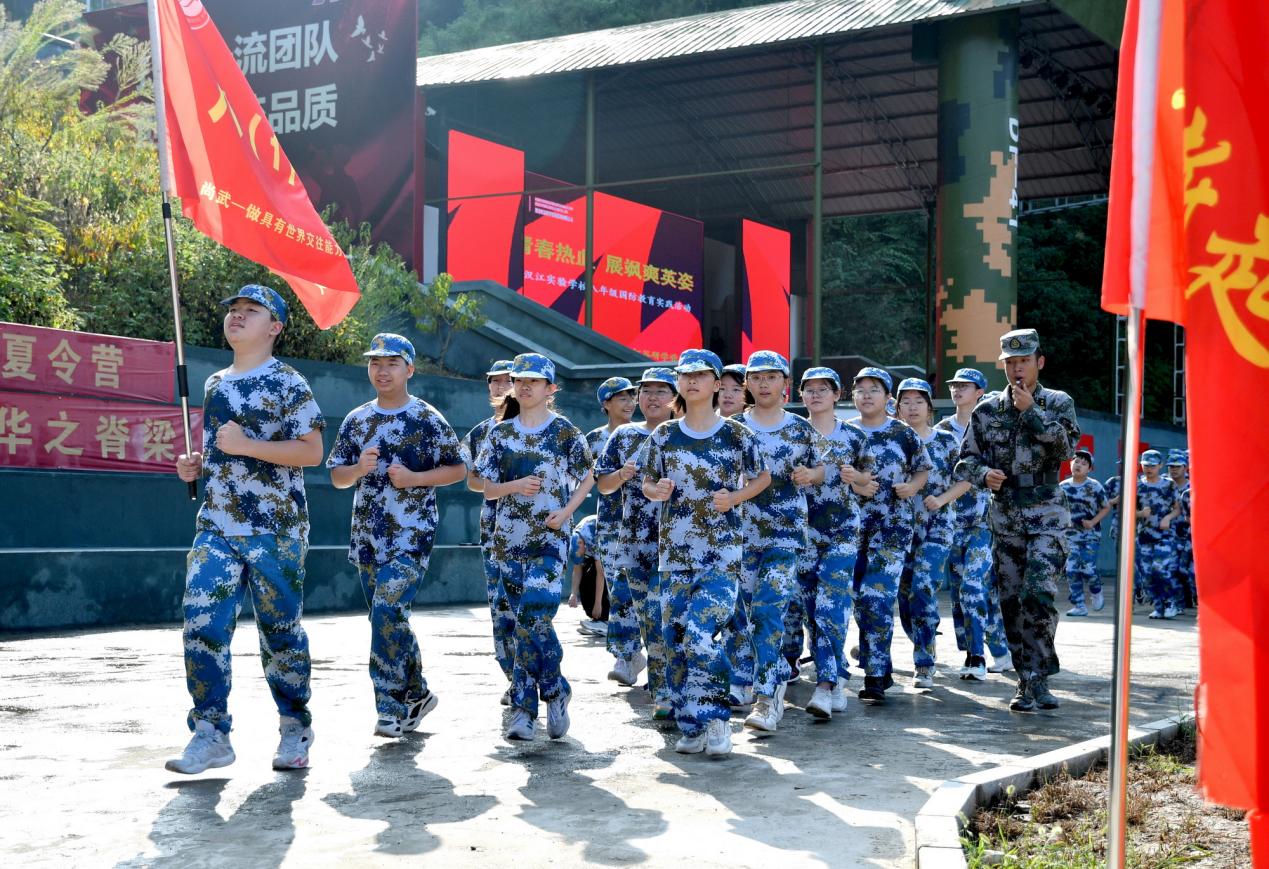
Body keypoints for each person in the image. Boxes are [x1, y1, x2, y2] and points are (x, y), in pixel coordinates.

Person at [167, 285, 324, 774]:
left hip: (276, 529)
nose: (237, 316)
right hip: (217, 524)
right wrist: (196, 465)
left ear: (274, 327)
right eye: (233, 309)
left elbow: (312, 451)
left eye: (250, 311)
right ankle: (210, 732)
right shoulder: (215, 383)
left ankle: (294, 725)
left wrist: (247, 445)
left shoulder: (288, 382)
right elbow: (222, 451)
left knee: (280, 633)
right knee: (201, 624)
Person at [326, 333, 467, 737]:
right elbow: (337, 477)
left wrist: (415, 479)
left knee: (387, 610)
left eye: (391, 363)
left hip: (411, 534)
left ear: (409, 369)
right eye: (375, 363)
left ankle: (388, 707)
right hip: (368, 536)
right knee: (387, 617)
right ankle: (417, 693)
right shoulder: (357, 419)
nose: (382, 370)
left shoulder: (426, 418)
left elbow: (458, 469)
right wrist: (358, 469)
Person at [641, 349, 771, 757]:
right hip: (675, 557)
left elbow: (762, 477)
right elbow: (646, 482)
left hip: (721, 556)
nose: (692, 381)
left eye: (700, 375)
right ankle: (691, 723)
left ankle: (716, 717)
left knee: (700, 634)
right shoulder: (664, 435)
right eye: (685, 375)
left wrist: (735, 497)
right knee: (676, 640)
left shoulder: (736, 434)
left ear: (717, 384)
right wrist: (656, 490)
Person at [472, 353, 595, 741]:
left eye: (534, 381)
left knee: (532, 614)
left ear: (550, 389)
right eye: (520, 380)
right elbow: (485, 488)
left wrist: (566, 512)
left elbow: (589, 476)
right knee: (521, 624)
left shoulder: (564, 432)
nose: (525, 386)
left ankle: (531, 704)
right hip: (508, 540)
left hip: (549, 539)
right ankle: (547, 693)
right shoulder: (500, 434)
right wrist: (515, 485)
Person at [956, 328, 1079, 714]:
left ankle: (1040, 675)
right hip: (1006, 516)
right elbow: (964, 461)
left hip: (1048, 515)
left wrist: (1032, 413)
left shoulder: (1057, 402)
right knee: (1011, 601)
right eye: (1011, 362)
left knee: (1038, 594)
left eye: (1024, 361)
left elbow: (1068, 449)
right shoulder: (987, 410)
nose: (1017, 369)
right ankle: (1025, 678)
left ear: (1039, 362)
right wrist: (983, 475)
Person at [725, 351, 828, 735]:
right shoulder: (732, 427)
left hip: (784, 535)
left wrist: (810, 475)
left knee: (769, 611)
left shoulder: (800, 428)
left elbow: (821, 468)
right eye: (756, 377)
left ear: (785, 383)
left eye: (771, 377)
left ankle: (768, 697)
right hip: (739, 535)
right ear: (747, 384)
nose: (763, 384)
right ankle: (747, 678)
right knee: (742, 612)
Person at [595, 367, 678, 719]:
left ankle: (674, 688)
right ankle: (662, 692)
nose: (652, 398)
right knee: (648, 620)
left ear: (675, 397)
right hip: (635, 543)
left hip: (680, 544)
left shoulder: (685, 433)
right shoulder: (624, 435)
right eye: (646, 391)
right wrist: (622, 474)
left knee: (670, 618)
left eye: (661, 391)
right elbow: (603, 485)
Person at [846, 366, 931, 704]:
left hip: (893, 528)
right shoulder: (845, 432)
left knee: (877, 597)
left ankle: (875, 675)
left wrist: (912, 487)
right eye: (861, 390)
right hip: (851, 529)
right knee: (859, 601)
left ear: (887, 398)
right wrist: (855, 486)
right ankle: (878, 663)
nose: (866, 396)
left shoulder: (903, 433)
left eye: (874, 390)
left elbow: (922, 469)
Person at [796, 366, 875, 718]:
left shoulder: (854, 436)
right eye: (809, 389)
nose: (815, 395)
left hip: (842, 530)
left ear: (837, 394)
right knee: (811, 610)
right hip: (801, 533)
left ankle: (826, 684)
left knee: (832, 605)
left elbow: (868, 481)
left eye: (823, 389)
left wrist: (857, 477)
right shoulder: (794, 432)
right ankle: (837, 669)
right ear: (800, 395)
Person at [936, 368, 1008, 678]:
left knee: (972, 587)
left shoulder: (993, 430)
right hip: (951, 522)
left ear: (979, 392)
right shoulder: (941, 431)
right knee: (962, 595)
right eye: (954, 385)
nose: (957, 390)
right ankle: (1000, 651)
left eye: (965, 386)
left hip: (984, 521)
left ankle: (976, 657)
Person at [894, 378, 963, 689]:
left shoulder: (946, 441)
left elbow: (966, 479)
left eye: (918, 401)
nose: (912, 408)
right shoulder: (893, 440)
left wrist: (942, 499)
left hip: (937, 525)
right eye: (906, 402)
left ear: (930, 407)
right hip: (898, 528)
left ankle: (924, 662)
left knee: (923, 588)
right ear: (897, 408)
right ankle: (923, 638)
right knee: (904, 597)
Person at [463, 360, 516, 701]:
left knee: (529, 606)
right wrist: (499, 485)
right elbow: (472, 481)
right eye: (494, 382)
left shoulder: (543, 428)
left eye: (506, 381)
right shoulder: (482, 432)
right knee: (500, 605)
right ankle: (514, 676)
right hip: (494, 528)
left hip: (537, 529)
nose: (500, 388)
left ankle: (533, 673)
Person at [588, 377, 645, 687]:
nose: (629, 403)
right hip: (611, 524)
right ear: (606, 404)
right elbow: (585, 480)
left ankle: (648, 653)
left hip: (645, 525)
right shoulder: (594, 440)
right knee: (619, 591)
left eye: (631, 397)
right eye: (621, 398)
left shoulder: (646, 434)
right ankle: (627, 655)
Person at [1059, 448, 1110, 618]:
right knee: (1071, 570)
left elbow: (1106, 507)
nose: (1078, 465)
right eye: (1076, 461)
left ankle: (1096, 591)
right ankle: (1079, 605)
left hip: (1090, 535)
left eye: (1083, 463)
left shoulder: (1094, 486)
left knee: (1088, 569)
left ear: (1089, 469)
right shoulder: (1063, 487)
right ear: (1070, 464)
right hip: (1070, 536)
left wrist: (1093, 522)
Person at [1136, 449, 1181, 620]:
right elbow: (1127, 511)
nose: (1148, 469)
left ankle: (1170, 603)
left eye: (1152, 466)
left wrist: (1168, 518)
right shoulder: (1137, 485)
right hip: (1144, 536)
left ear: (1160, 465)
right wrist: (1140, 514)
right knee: (1147, 574)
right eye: (1146, 465)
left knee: (1160, 569)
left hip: (1164, 535)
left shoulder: (1168, 485)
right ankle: (1158, 606)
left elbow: (1177, 509)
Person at [1162, 450, 1194, 611]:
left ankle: (1192, 597)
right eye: (1171, 467)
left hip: (1189, 535)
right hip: (1170, 534)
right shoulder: (1164, 485)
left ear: (1185, 468)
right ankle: (1179, 602)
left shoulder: (1192, 487)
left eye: (1177, 466)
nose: (1173, 470)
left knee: (1187, 570)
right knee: (1172, 568)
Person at [567, 514, 608, 635]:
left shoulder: (593, 538)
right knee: (585, 579)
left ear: (582, 543)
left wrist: (598, 604)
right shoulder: (574, 538)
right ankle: (596, 621)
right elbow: (577, 569)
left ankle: (605, 620)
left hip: (612, 546)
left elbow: (601, 574)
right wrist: (573, 593)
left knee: (594, 575)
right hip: (593, 550)